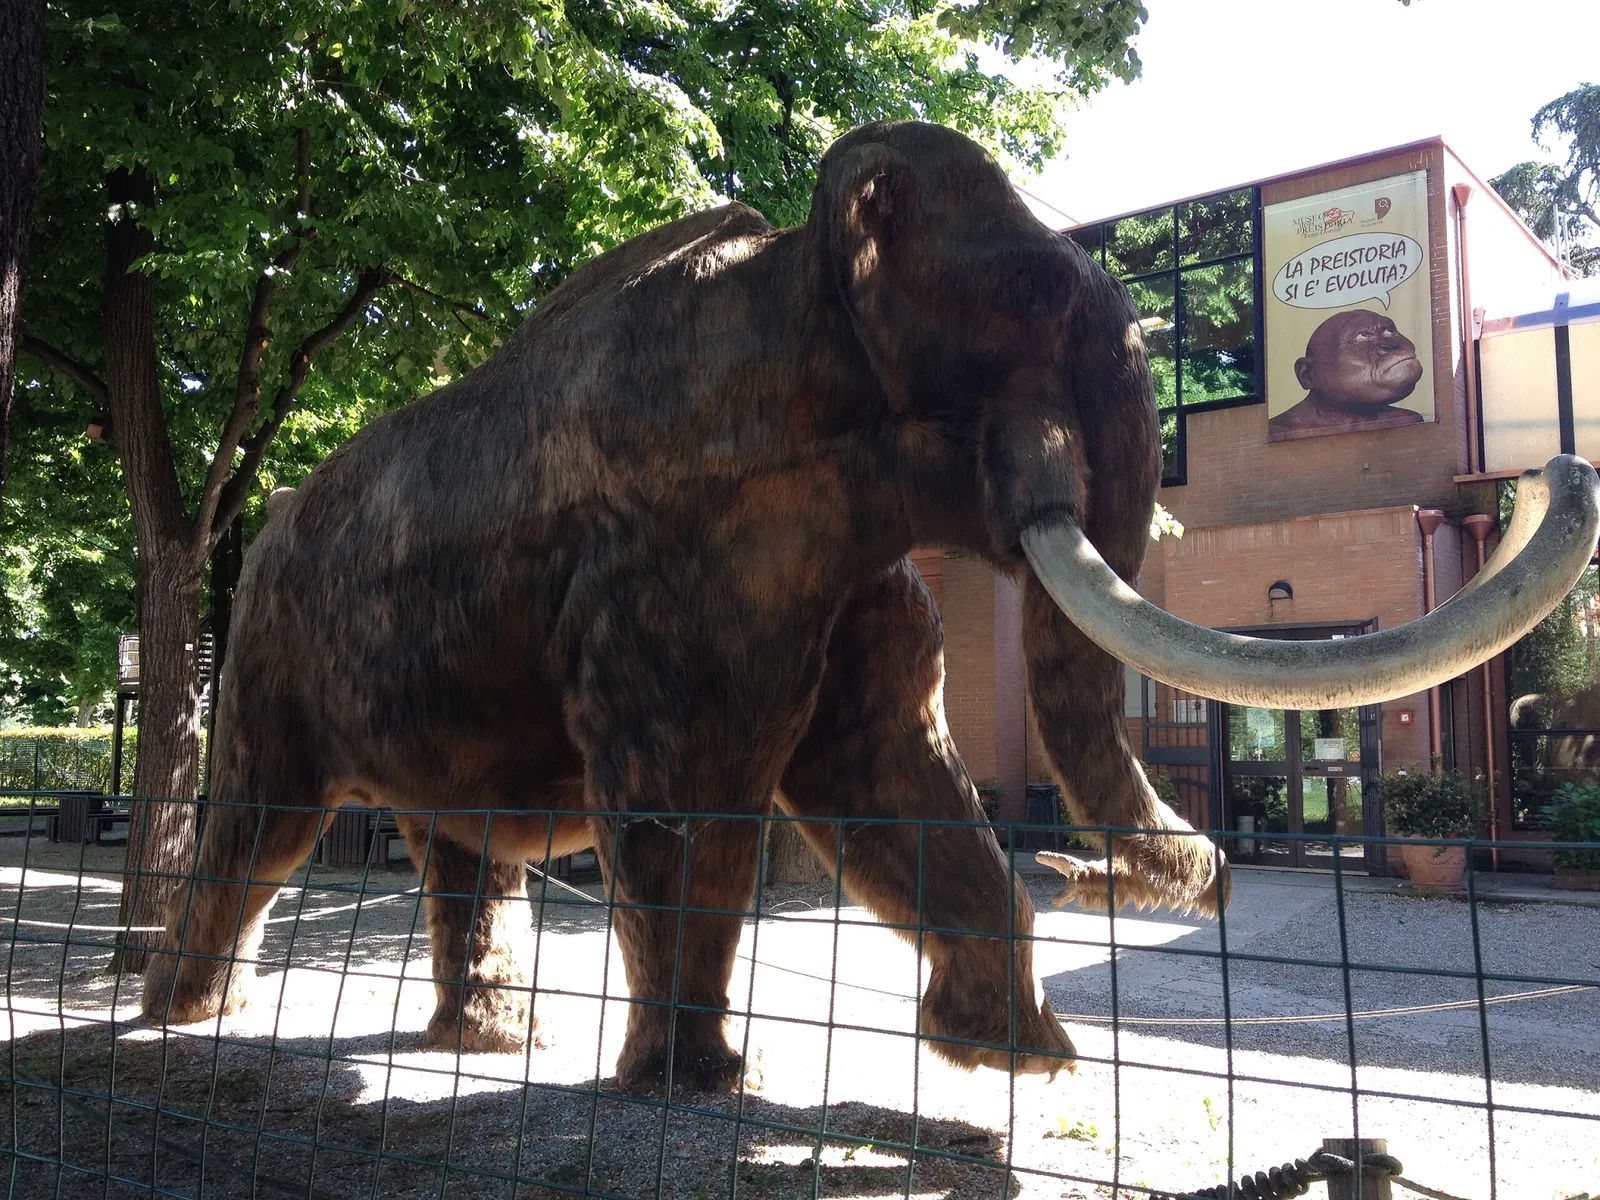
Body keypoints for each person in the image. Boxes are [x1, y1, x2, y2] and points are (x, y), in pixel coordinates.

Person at [1268, 308, 1424, 441]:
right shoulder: (1277, 432)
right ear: (1308, 374)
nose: (1390, 345)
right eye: (1362, 336)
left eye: (1389, 331)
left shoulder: (1406, 421)